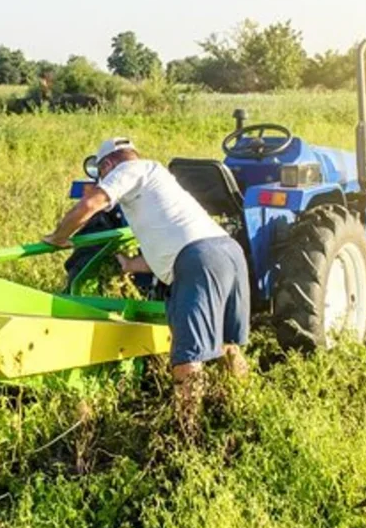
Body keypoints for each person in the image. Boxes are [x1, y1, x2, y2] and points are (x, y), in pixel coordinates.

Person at [43, 137, 250, 425]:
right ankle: (245, 408)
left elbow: (89, 205)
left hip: (198, 259)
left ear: (108, 164)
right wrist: (128, 265)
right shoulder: (158, 179)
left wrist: (58, 237)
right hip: (228, 253)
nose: (104, 179)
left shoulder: (129, 169)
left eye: (102, 174)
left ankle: (187, 432)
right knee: (228, 346)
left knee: (187, 358)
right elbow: (167, 250)